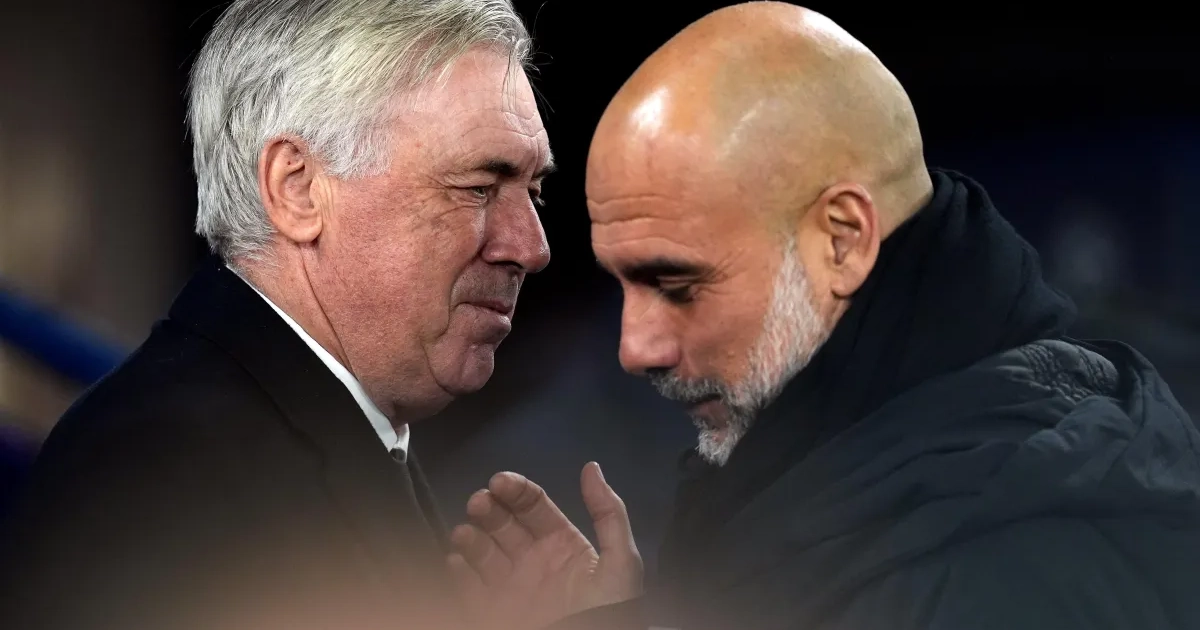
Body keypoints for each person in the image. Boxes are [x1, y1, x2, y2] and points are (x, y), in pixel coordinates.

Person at [447, 3, 1200, 630]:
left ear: (842, 240)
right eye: (622, 285)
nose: (634, 348)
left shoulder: (1012, 571)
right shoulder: (851, 483)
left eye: (676, 285)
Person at [0, 1, 551, 628]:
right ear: (298, 188)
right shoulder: (166, 476)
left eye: (533, 192)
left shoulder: (291, 437)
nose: (532, 247)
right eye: (478, 188)